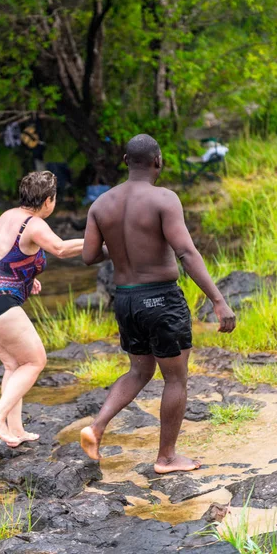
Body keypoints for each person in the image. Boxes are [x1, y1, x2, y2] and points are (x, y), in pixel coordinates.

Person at [80, 134, 236, 473]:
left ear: (125, 160)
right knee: (175, 379)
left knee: (139, 370)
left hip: (126, 301)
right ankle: (166, 458)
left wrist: (122, 247)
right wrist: (219, 301)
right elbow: (186, 252)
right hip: (161, 299)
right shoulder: (164, 199)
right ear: (158, 161)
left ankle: (95, 427)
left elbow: (89, 255)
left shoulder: (101, 204)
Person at [0, 171, 84, 447]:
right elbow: (61, 249)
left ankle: (15, 430)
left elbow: (1, 259)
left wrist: (28, 279)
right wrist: (101, 243)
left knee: (14, 364)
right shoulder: (34, 224)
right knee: (35, 361)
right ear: (48, 201)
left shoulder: (8, 216)